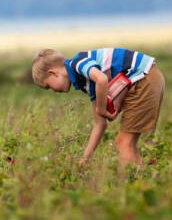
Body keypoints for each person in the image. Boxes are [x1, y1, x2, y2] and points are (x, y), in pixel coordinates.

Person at [31, 47, 164, 166]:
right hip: (146, 77)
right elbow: (100, 124)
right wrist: (85, 159)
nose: (53, 91)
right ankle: (139, 179)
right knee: (128, 143)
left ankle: (130, 185)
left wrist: (101, 108)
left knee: (123, 143)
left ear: (53, 73)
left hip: (144, 78)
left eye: (48, 86)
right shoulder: (87, 83)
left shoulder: (77, 63)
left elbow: (102, 79)